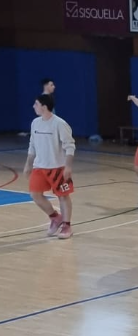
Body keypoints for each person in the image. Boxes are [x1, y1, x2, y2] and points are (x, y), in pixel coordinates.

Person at [23, 94, 75, 239]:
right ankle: (55, 217)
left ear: (44, 107)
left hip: (58, 167)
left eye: (36, 104)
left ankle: (67, 226)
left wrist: (68, 166)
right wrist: (28, 164)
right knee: (35, 194)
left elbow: (70, 146)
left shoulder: (59, 124)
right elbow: (32, 145)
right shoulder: (35, 123)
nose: (33, 106)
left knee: (63, 196)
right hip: (39, 167)